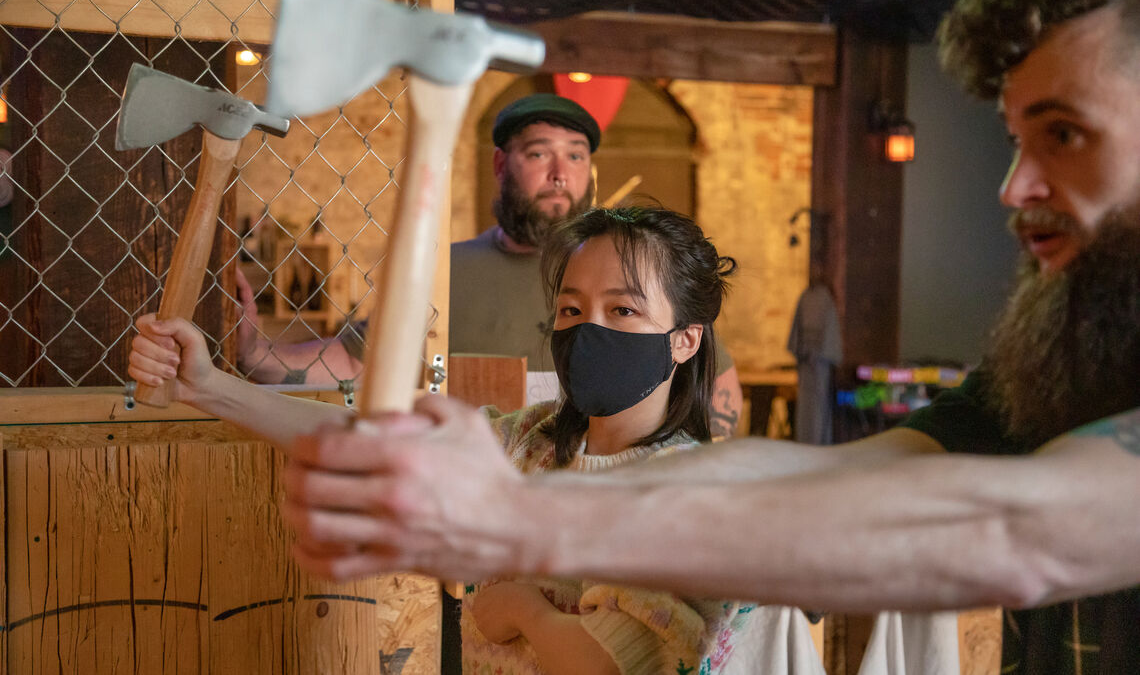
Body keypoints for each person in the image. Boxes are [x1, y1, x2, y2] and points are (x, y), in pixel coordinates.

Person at [278, 0, 1140, 673]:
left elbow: (1017, 533)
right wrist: (514, 494)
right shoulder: (1055, 359)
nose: (1015, 186)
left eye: (1066, 134)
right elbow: (844, 470)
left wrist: (516, 520)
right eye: (1015, 139)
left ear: (684, 337)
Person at [128, 205, 756, 674]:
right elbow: (371, 442)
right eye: (570, 310)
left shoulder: (683, 493)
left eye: (622, 311)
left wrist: (520, 610)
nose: (589, 331)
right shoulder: (528, 443)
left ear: (685, 339)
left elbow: (607, 665)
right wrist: (207, 387)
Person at [235, 92, 745, 437]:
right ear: (502, 165)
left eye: (575, 156)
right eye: (539, 154)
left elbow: (717, 389)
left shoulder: (639, 275)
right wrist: (255, 353)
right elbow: (353, 361)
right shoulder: (446, 273)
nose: (559, 173)